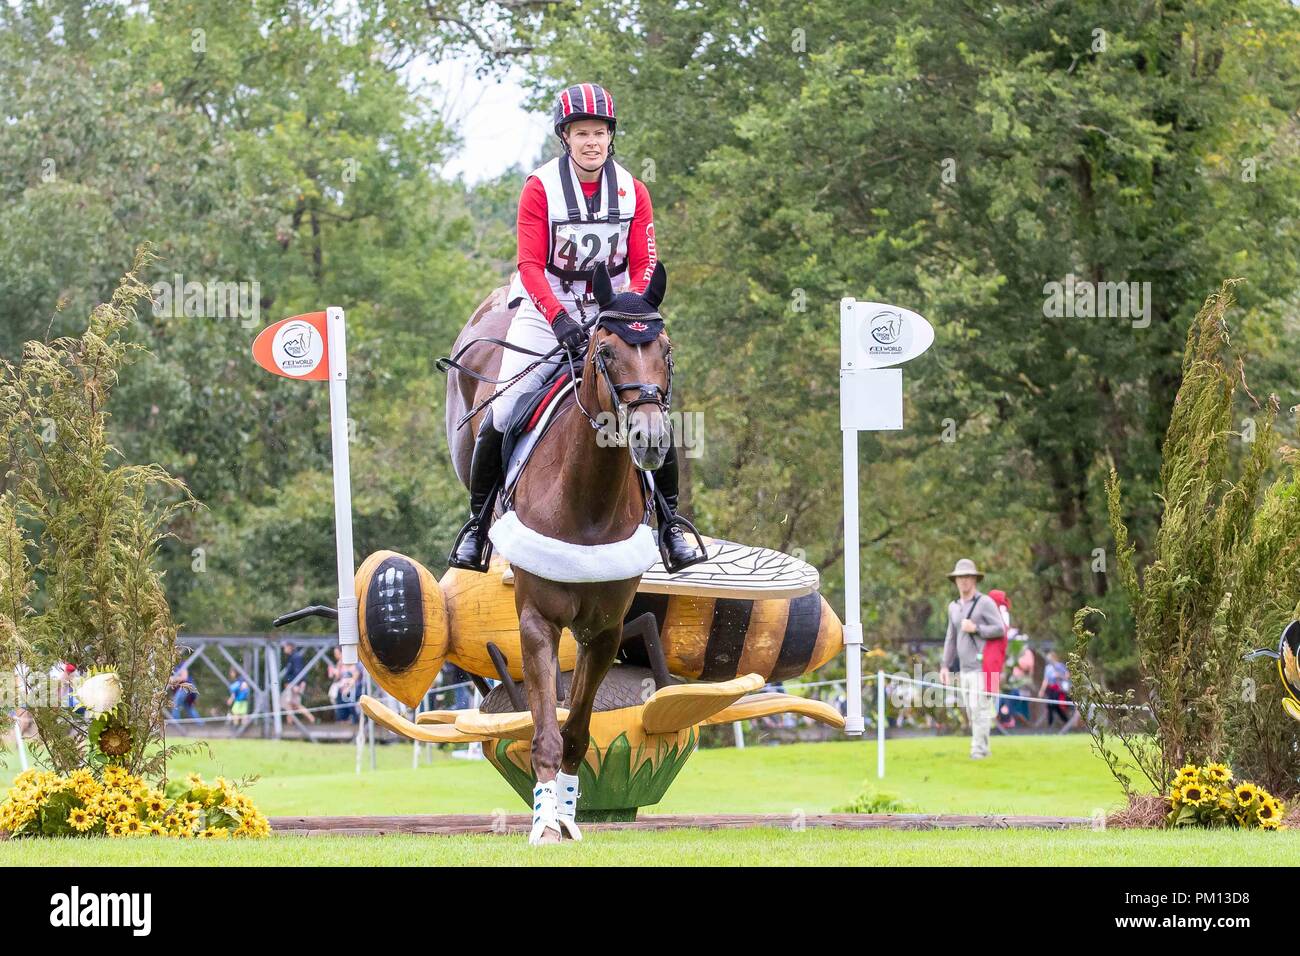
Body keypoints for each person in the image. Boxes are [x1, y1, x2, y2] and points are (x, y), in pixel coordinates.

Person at [447, 82, 707, 575]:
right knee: (504, 407)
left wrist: (627, 308)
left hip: (615, 310)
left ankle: (671, 525)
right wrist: (561, 320)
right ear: (565, 137)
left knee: (647, 400)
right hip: (548, 307)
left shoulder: (635, 190)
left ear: (611, 137)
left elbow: (645, 262)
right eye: (582, 132)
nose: (592, 141)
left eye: (601, 132)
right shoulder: (540, 188)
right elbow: (528, 264)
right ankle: (478, 527)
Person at [939, 558, 1007, 759]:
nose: (964, 581)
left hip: (982, 667)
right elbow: (950, 638)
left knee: (980, 709)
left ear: (975, 579)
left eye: (968, 577)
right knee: (971, 711)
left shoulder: (984, 603)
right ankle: (983, 748)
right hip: (964, 668)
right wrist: (945, 665)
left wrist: (976, 628)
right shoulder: (953, 607)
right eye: (961, 577)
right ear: (955, 581)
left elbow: (1000, 629)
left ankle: (978, 751)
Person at [1039, 650, 1077, 731]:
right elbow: (1046, 680)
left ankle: (1065, 723)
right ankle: (1051, 725)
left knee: (1055, 706)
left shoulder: (1060, 666)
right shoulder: (1048, 668)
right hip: (1051, 689)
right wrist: (1042, 690)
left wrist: (1059, 675)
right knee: (1050, 706)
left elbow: (1067, 676)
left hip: (1058, 689)